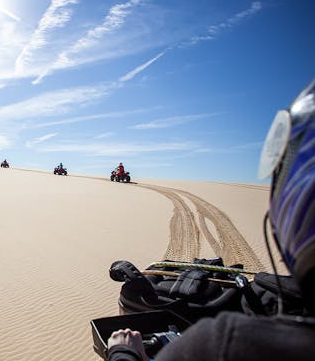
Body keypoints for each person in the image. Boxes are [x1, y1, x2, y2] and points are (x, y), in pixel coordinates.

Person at [105, 78, 315, 361]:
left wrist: (122, 353)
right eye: (120, 170)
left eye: (120, 170)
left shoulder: (221, 345)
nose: (120, 170)